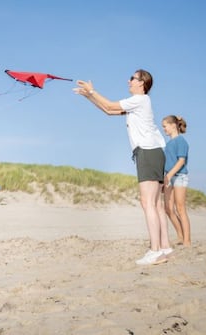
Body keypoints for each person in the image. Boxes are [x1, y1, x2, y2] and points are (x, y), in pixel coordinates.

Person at [73, 69, 171, 265]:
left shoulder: (140, 99)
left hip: (148, 152)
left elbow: (110, 104)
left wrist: (92, 91)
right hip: (152, 152)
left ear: (142, 83)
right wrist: (88, 97)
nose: (129, 80)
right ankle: (164, 248)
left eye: (132, 78)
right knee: (155, 204)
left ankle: (155, 251)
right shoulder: (138, 104)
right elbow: (110, 111)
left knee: (147, 203)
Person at [162, 115, 191, 246]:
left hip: (179, 177)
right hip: (168, 177)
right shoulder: (168, 144)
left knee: (180, 209)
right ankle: (180, 236)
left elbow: (181, 161)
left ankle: (187, 241)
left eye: (165, 126)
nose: (164, 129)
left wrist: (169, 175)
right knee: (168, 208)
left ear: (173, 126)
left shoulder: (181, 141)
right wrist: (165, 178)